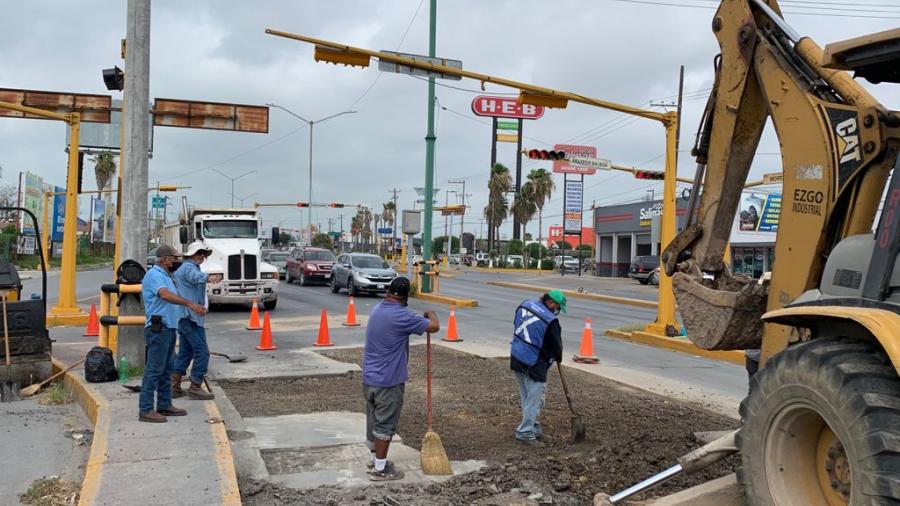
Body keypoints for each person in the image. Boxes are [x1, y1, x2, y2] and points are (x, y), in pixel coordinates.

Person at [362, 276, 439, 481]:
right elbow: (433, 326)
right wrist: (431, 313)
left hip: (369, 378)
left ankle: (375, 460)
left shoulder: (378, 309)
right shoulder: (401, 315)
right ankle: (380, 470)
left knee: (373, 421)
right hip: (388, 381)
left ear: (389, 292)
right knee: (385, 424)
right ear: (405, 297)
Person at [139, 245, 208, 423]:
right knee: (154, 369)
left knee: (166, 369)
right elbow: (165, 295)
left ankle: (164, 404)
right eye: (173, 258)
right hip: (158, 328)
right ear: (164, 259)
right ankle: (146, 409)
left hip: (169, 327)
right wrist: (189, 304)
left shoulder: (166, 275)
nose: (176, 261)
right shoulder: (155, 275)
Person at [510, 290, 566, 445]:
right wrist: (558, 357)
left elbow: (515, 323)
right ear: (552, 303)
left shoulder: (526, 304)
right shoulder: (551, 321)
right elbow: (557, 346)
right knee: (535, 400)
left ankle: (533, 427)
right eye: (557, 307)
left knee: (527, 397)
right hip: (533, 363)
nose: (556, 310)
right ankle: (525, 433)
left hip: (516, 355)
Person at [171, 242, 222, 400]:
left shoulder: (188, 268)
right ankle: (195, 386)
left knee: (186, 353)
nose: (202, 256)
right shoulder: (189, 268)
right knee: (202, 353)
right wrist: (209, 278)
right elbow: (195, 278)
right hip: (190, 317)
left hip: (187, 317)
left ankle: (174, 386)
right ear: (192, 254)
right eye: (199, 253)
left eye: (203, 253)